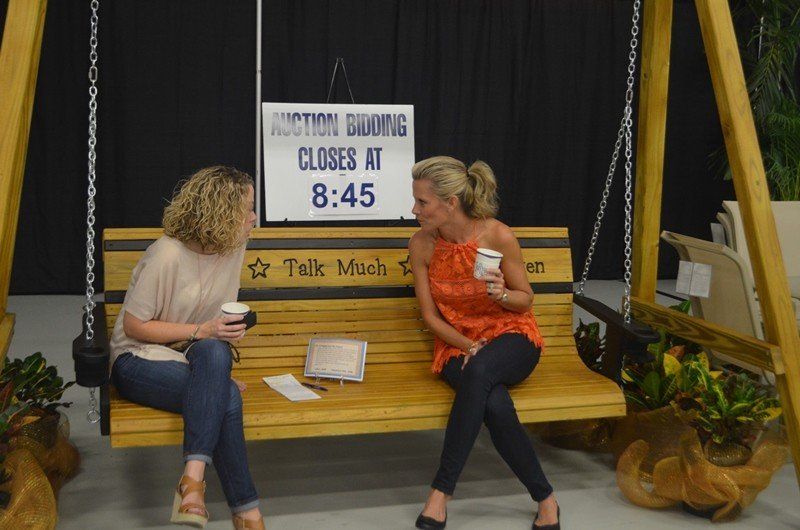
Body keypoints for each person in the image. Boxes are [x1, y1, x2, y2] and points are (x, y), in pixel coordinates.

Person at [408, 156, 560, 530]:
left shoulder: (497, 236)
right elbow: (431, 318)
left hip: (511, 336)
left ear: (450, 203)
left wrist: (502, 294)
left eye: (422, 202)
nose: (414, 210)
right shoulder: (421, 245)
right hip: (455, 344)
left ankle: (440, 493)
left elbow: (525, 299)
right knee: (495, 403)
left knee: (480, 371)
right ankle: (545, 498)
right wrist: (469, 345)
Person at [109, 166, 264, 530]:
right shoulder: (166, 254)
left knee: (216, 355)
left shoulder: (233, 247)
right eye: (248, 209)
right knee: (226, 396)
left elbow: (210, 337)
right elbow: (134, 326)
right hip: (137, 357)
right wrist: (204, 335)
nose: (254, 217)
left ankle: (192, 483)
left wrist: (215, 361)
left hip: (189, 355)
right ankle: (247, 513)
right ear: (223, 212)